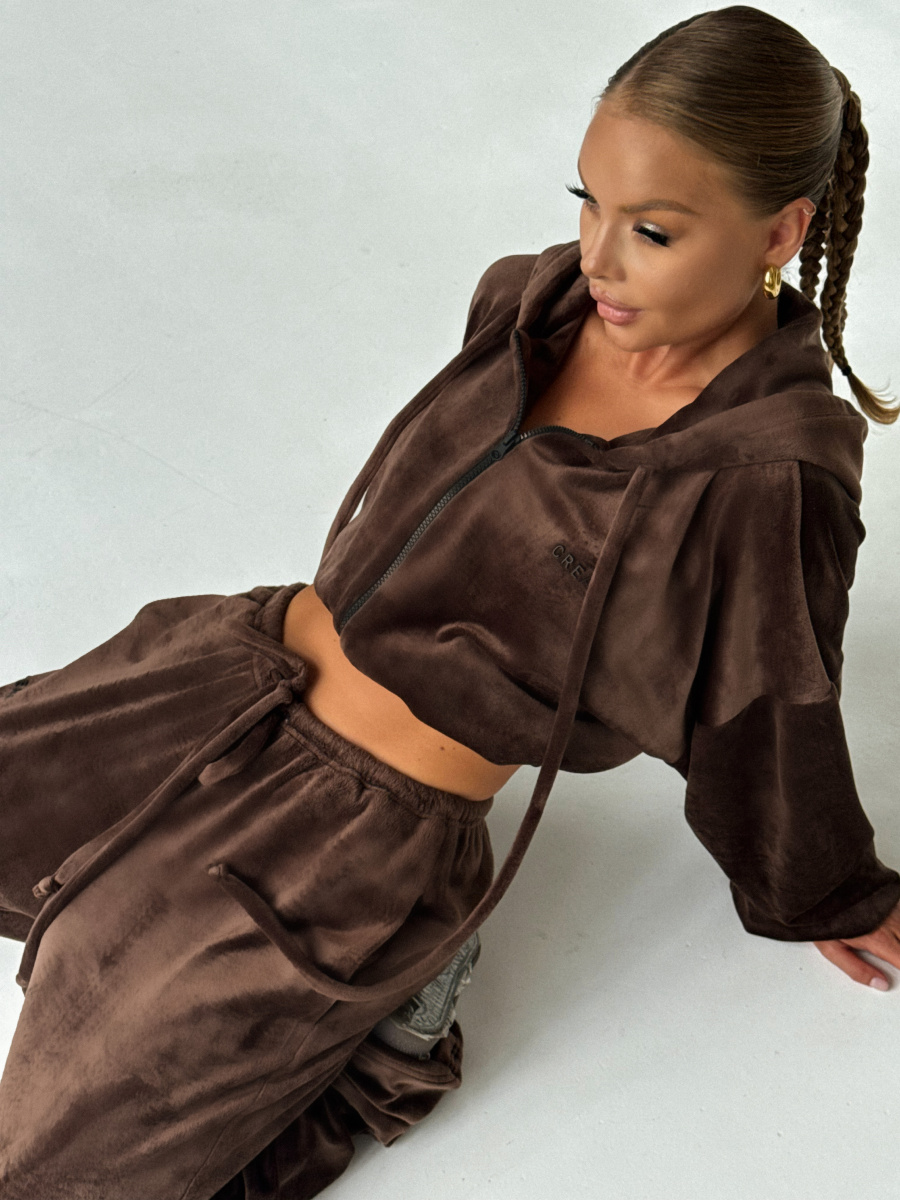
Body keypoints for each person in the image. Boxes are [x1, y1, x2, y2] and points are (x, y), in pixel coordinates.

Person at [1, 6, 899, 1198]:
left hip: (338, 848)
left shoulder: (762, 480)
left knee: (56, 1170)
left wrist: (824, 889)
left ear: (780, 230)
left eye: (653, 230)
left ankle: (389, 1035)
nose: (599, 256)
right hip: (223, 677)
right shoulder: (536, 303)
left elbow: (768, 712)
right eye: (587, 202)